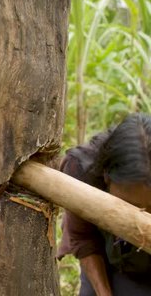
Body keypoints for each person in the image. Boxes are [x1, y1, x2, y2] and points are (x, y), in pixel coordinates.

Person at [57, 113, 151, 296]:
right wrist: (104, 292)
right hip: (106, 257)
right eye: (132, 206)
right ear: (107, 177)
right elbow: (84, 239)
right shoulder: (83, 173)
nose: (144, 218)